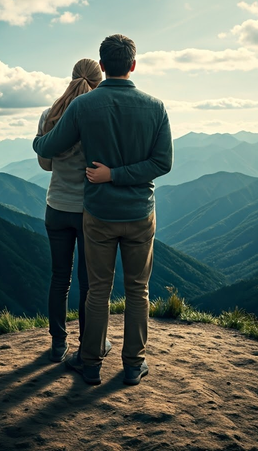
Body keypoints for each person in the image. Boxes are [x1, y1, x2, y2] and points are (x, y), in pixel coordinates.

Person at [33, 34, 173, 386]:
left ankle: (91, 363)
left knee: (97, 290)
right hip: (140, 213)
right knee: (138, 291)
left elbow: (49, 148)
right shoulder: (156, 107)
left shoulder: (82, 107)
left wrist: (37, 140)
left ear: (103, 64)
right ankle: (132, 365)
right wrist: (123, 175)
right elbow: (163, 162)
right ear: (133, 65)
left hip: (98, 213)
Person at [36, 58, 103, 363]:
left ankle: (58, 343)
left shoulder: (49, 114)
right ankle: (88, 345)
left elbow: (46, 163)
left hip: (57, 206)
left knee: (59, 278)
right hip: (88, 210)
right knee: (88, 283)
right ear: (99, 81)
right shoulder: (100, 117)